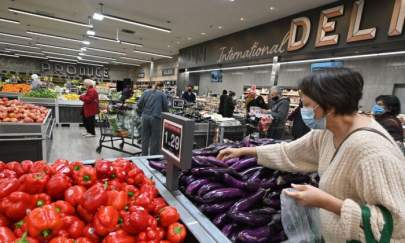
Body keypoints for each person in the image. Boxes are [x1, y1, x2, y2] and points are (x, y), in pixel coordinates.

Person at [217, 68, 405, 243]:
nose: (303, 111)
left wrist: (327, 202)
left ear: (330, 106)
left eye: (306, 105)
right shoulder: (328, 131)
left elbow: (397, 225)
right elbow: (291, 153)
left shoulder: (372, 152)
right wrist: (244, 151)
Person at [137, 82, 169, 156]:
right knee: (155, 138)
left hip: (145, 117)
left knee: (144, 137)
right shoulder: (162, 94)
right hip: (156, 118)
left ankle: (144, 155)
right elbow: (165, 108)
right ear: (161, 87)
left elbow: (139, 104)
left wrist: (140, 114)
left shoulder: (145, 92)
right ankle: (152, 157)